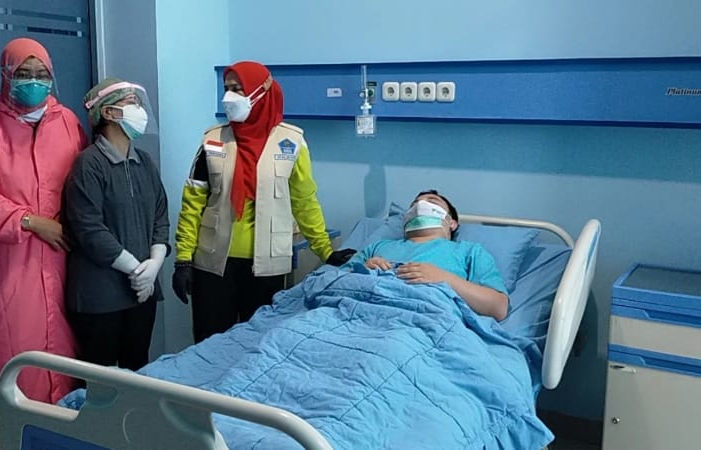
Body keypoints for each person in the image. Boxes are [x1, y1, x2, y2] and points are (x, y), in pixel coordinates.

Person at [0, 37, 87, 450]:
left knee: (62, 356)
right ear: (5, 75)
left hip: (62, 260)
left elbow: (85, 185)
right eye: (23, 73)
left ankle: (58, 439)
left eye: (41, 73)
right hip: (4, 265)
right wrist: (29, 221)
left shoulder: (68, 123)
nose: (33, 81)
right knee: (9, 357)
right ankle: (5, 441)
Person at [172, 61, 356, 343]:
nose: (229, 97)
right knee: (209, 343)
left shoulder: (292, 142)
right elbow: (192, 203)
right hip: (213, 264)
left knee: (257, 345)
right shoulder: (213, 140)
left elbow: (304, 202)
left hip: (267, 267)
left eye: (237, 89)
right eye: (226, 88)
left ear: (261, 92)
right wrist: (183, 259)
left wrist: (325, 251)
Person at [63, 78, 169, 371]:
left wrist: (154, 264)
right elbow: (89, 229)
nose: (140, 110)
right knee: (102, 381)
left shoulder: (144, 162)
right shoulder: (89, 164)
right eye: (132, 103)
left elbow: (160, 216)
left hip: (141, 293)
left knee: (137, 371)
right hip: (100, 297)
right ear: (108, 113)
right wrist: (136, 269)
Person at [341, 190, 509, 321]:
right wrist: (360, 272)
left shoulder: (469, 251)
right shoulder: (378, 246)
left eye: (432, 202)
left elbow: (498, 308)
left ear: (452, 223)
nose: (421, 205)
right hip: (358, 311)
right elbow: (332, 281)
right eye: (414, 204)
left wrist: (444, 278)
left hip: (424, 320)